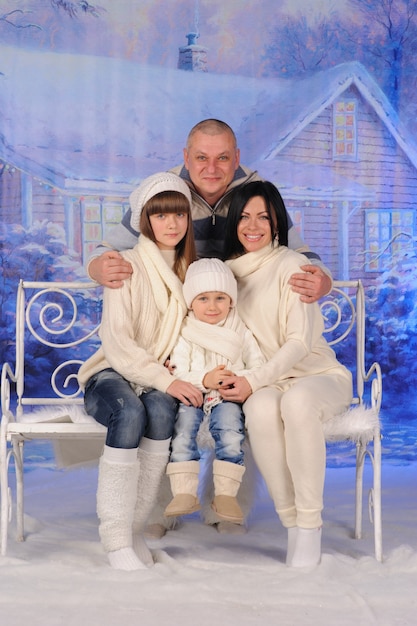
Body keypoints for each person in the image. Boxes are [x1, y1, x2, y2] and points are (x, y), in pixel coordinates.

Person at [219, 180, 353, 568]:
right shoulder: (227, 274)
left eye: (263, 215)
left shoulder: (292, 265)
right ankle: (292, 523)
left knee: (295, 403)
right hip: (268, 381)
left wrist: (253, 380)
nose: (253, 225)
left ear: (278, 222)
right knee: (260, 410)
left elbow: (298, 343)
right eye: (244, 216)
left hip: (317, 375)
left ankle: (310, 527)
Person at [77, 172, 203, 571]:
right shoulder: (125, 265)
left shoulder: (192, 273)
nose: (171, 224)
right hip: (111, 373)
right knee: (130, 412)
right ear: (145, 220)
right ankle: (115, 538)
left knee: (162, 412)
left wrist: (176, 366)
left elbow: (196, 332)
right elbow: (118, 343)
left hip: (156, 375)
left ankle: (136, 528)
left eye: (179, 215)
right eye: (161, 215)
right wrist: (166, 377)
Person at [87, 119, 332, 304]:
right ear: (186, 157)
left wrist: (323, 280)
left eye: (222, 158)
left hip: (243, 308)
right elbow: (107, 249)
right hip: (177, 308)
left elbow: (299, 251)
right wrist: (97, 268)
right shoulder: (162, 193)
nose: (211, 169)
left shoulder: (257, 194)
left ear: (236, 159)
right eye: (201, 157)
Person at [164, 258, 265, 525]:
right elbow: (177, 372)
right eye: (203, 298)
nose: (212, 306)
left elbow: (258, 366)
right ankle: (184, 491)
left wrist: (234, 378)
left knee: (231, 431)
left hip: (227, 397)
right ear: (191, 302)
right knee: (183, 429)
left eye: (220, 298)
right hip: (194, 394)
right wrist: (205, 379)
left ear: (231, 300)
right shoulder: (185, 331)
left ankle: (226, 494)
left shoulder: (240, 330)